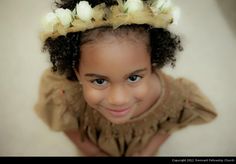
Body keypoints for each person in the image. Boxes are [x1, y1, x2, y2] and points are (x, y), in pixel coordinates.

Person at [35, 0, 217, 156]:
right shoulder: (66, 93)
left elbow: (169, 125)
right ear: (76, 72)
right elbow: (68, 126)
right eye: (99, 81)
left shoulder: (173, 96)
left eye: (134, 77)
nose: (118, 99)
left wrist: (146, 153)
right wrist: (94, 153)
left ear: (152, 62)